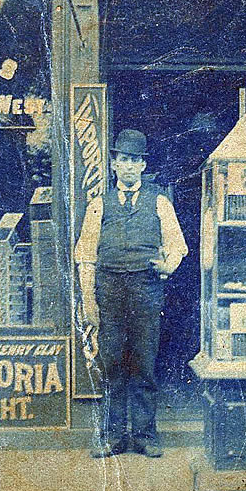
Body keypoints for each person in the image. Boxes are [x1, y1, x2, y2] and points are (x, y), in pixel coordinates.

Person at [75, 129, 188, 459]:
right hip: (109, 291)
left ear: (143, 166)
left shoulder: (159, 203)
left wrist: (166, 267)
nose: (128, 166)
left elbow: (178, 247)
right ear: (114, 165)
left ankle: (144, 434)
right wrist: (89, 302)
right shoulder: (99, 205)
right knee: (111, 363)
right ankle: (112, 435)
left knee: (144, 362)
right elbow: (85, 256)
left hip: (145, 289)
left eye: (134, 160)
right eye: (123, 160)